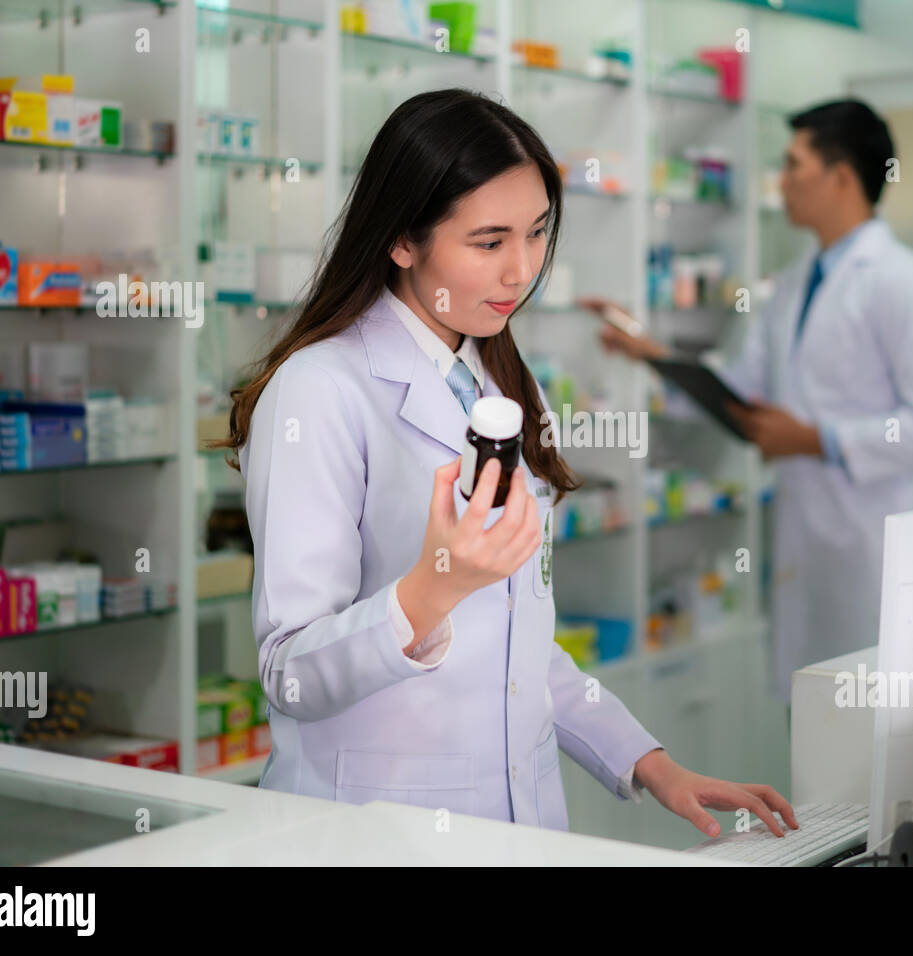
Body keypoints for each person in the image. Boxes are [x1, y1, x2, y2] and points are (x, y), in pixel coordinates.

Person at [214, 89, 796, 839]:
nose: (522, 270)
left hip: (517, 823)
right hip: (375, 829)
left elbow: (517, 640)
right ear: (402, 240)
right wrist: (432, 591)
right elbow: (290, 672)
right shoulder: (319, 390)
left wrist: (651, 763)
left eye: (537, 233)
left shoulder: (493, 378)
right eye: (489, 243)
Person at [586, 98, 913, 715]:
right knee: (819, 739)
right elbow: (740, 393)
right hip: (807, 547)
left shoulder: (902, 281)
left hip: (881, 549)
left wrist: (818, 439)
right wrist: (648, 352)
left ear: (841, 176)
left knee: (883, 746)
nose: (781, 181)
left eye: (793, 165)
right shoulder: (792, 285)